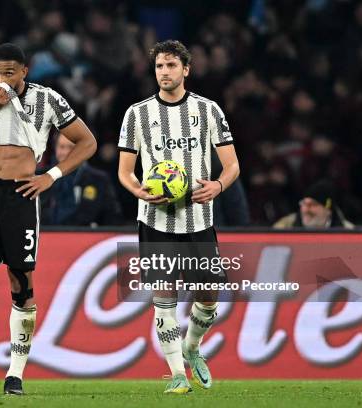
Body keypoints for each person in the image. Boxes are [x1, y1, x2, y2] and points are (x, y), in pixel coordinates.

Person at [0, 43, 96, 396]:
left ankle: (15, 374)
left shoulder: (48, 99)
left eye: (9, 73)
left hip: (21, 195)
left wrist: (52, 175)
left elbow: (87, 142)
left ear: (25, 72)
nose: (1, 79)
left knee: (21, 285)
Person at [117, 40, 240, 394]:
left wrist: (217, 185)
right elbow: (125, 171)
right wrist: (137, 189)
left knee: (209, 293)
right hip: (155, 220)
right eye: (159, 67)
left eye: (172, 66)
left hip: (199, 219)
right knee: (164, 295)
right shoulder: (136, 114)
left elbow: (232, 165)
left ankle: (191, 346)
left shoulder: (209, 110)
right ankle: (177, 374)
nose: (165, 72)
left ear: (186, 69)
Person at [41, 134, 122, 226]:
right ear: (55, 148)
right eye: (61, 147)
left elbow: (112, 218)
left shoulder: (99, 180)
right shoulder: (41, 178)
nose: (66, 152)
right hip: (46, 237)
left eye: (71, 147)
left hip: (87, 238)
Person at [273, 180, 354, 229]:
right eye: (303, 204)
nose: (305, 210)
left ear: (328, 210)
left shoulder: (348, 232)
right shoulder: (284, 227)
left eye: (312, 205)